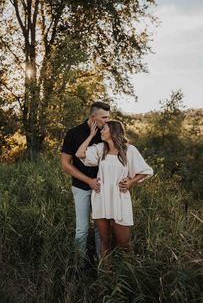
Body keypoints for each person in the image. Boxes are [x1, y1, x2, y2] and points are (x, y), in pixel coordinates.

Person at [75, 120, 153, 255]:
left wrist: (130, 182)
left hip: (119, 197)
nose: (101, 131)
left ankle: (129, 273)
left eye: (104, 129)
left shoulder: (129, 150)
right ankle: (105, 274)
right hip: (101, 197)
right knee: (105, 240)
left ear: (113, 131)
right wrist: (90, 135)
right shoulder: (100, 148)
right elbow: (79, 154)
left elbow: (145, 171)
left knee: (124, 244)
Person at [61, 101, 110, 261]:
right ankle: (77, 265)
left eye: (108, 117)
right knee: (82, 229)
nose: (107, 121)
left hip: (102, 189)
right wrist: (88, 180)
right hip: (81, 187)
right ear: (93, 116)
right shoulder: (73, 133)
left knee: (100, 229)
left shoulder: (106, 133)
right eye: (104, 117)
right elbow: (65, 164)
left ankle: (100, 264)